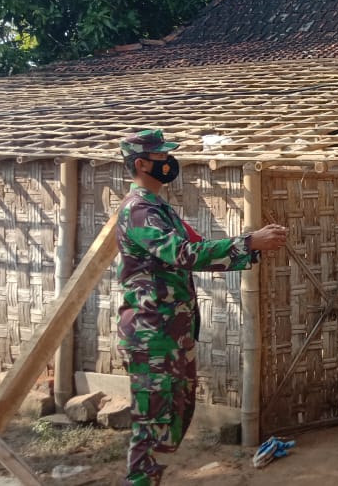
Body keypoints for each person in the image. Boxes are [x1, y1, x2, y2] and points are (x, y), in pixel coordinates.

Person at [116, 129, 288, 486]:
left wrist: (248, 246)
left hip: (172, 334)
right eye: (161, 156)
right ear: (142, 163)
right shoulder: (139, 210)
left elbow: (194, 247)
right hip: (153, 337)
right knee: (154, 428)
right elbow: (182, 254)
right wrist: (248, 242)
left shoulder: (160, 209)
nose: (168, 162)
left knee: (175, 417)